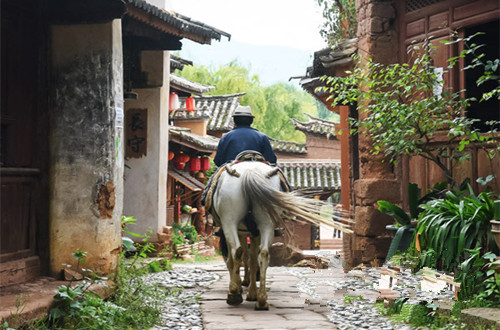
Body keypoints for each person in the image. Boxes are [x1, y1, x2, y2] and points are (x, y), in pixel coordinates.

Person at [201, 106, 277, 206]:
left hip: (231, 169)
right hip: (259, 171)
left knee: (213, 183)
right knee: (280, 178)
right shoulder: (262, 137)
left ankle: (205, 198)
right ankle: (286, 199)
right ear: (251, 121)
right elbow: (271, 160)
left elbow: (218, 161)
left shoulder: (226, 137)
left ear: (234, 120)